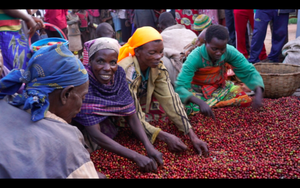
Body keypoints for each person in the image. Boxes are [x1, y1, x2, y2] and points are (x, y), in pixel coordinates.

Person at [0, 43, 105, 178]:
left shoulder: (6, 104)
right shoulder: (65, 139)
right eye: (82, 97)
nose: (81, 106)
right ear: (66, 95)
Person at [73, 37, 163, 172]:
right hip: (82, 128)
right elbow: (95, 134)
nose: (107, 68)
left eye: (113, 62)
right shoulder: (84, 80)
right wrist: (135, 156)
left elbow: (131, 115)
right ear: (90, 61)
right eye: (100, 61)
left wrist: (149, 146)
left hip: (103, 122)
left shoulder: (119, 74)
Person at [117, 26, 209, 157]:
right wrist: (164, 136)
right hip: (117, 114)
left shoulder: (157, 67)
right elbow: (132, 115)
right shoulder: (126, 72)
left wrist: (191, 134)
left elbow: (171, 100)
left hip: (135, 113)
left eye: (161, 52)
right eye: (152, 53)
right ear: (137, 52)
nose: (158, 57)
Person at [175, 25, 264, 117]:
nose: (219, 53)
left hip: (219, 88)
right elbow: (181, 86)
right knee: (190, 109)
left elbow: (247, 69)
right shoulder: (195, 57)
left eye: (222, 49)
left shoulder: (229, 51)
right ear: (206, 43)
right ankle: (214, 104)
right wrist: (200, 103)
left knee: (244, 99)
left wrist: (258, 90)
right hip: (198, 90)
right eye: (214, 49)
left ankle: (215, 104)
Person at [158, 12, 197, 86]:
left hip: (180, 77)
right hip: (198, 72)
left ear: (160, 26)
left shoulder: (160, 37)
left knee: (159, 57)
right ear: (175, 21)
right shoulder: (190, 32)